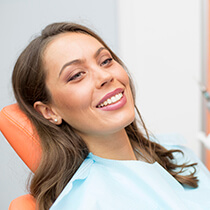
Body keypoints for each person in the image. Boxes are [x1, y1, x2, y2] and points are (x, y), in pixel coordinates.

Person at [12, 22, 210, 210]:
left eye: (106, 61)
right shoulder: (86, 202)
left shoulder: (175, 151)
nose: (105, 76)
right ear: (49, 111)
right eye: (76, 75)